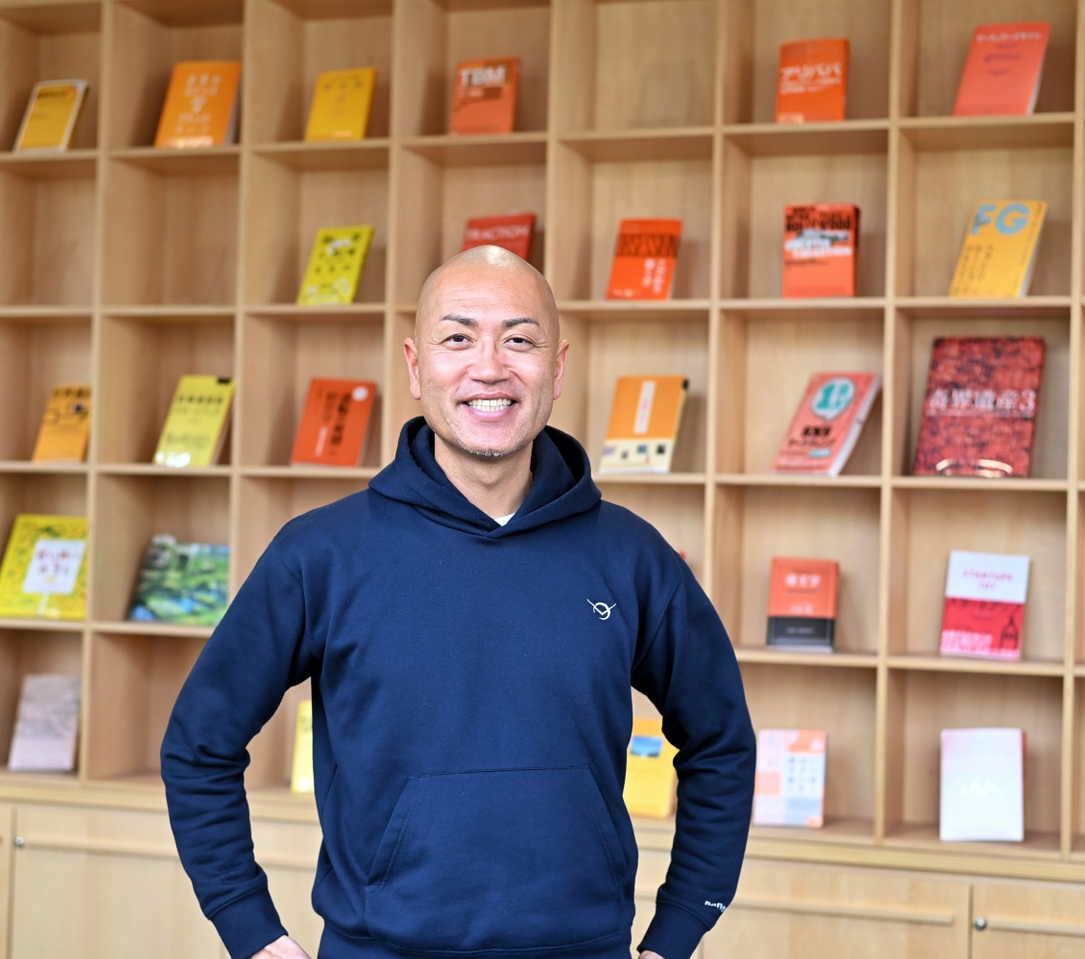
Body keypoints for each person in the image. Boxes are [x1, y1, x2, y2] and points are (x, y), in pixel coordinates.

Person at [161, 246, 756, 959]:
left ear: (558, 367)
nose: (489, 367)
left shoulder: (630, 556)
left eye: (520, 339)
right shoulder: (320, 554)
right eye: (458, 338)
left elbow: (722, 739)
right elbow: (199, 744)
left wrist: (680, 927)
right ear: (416, 367)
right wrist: (250, 928)